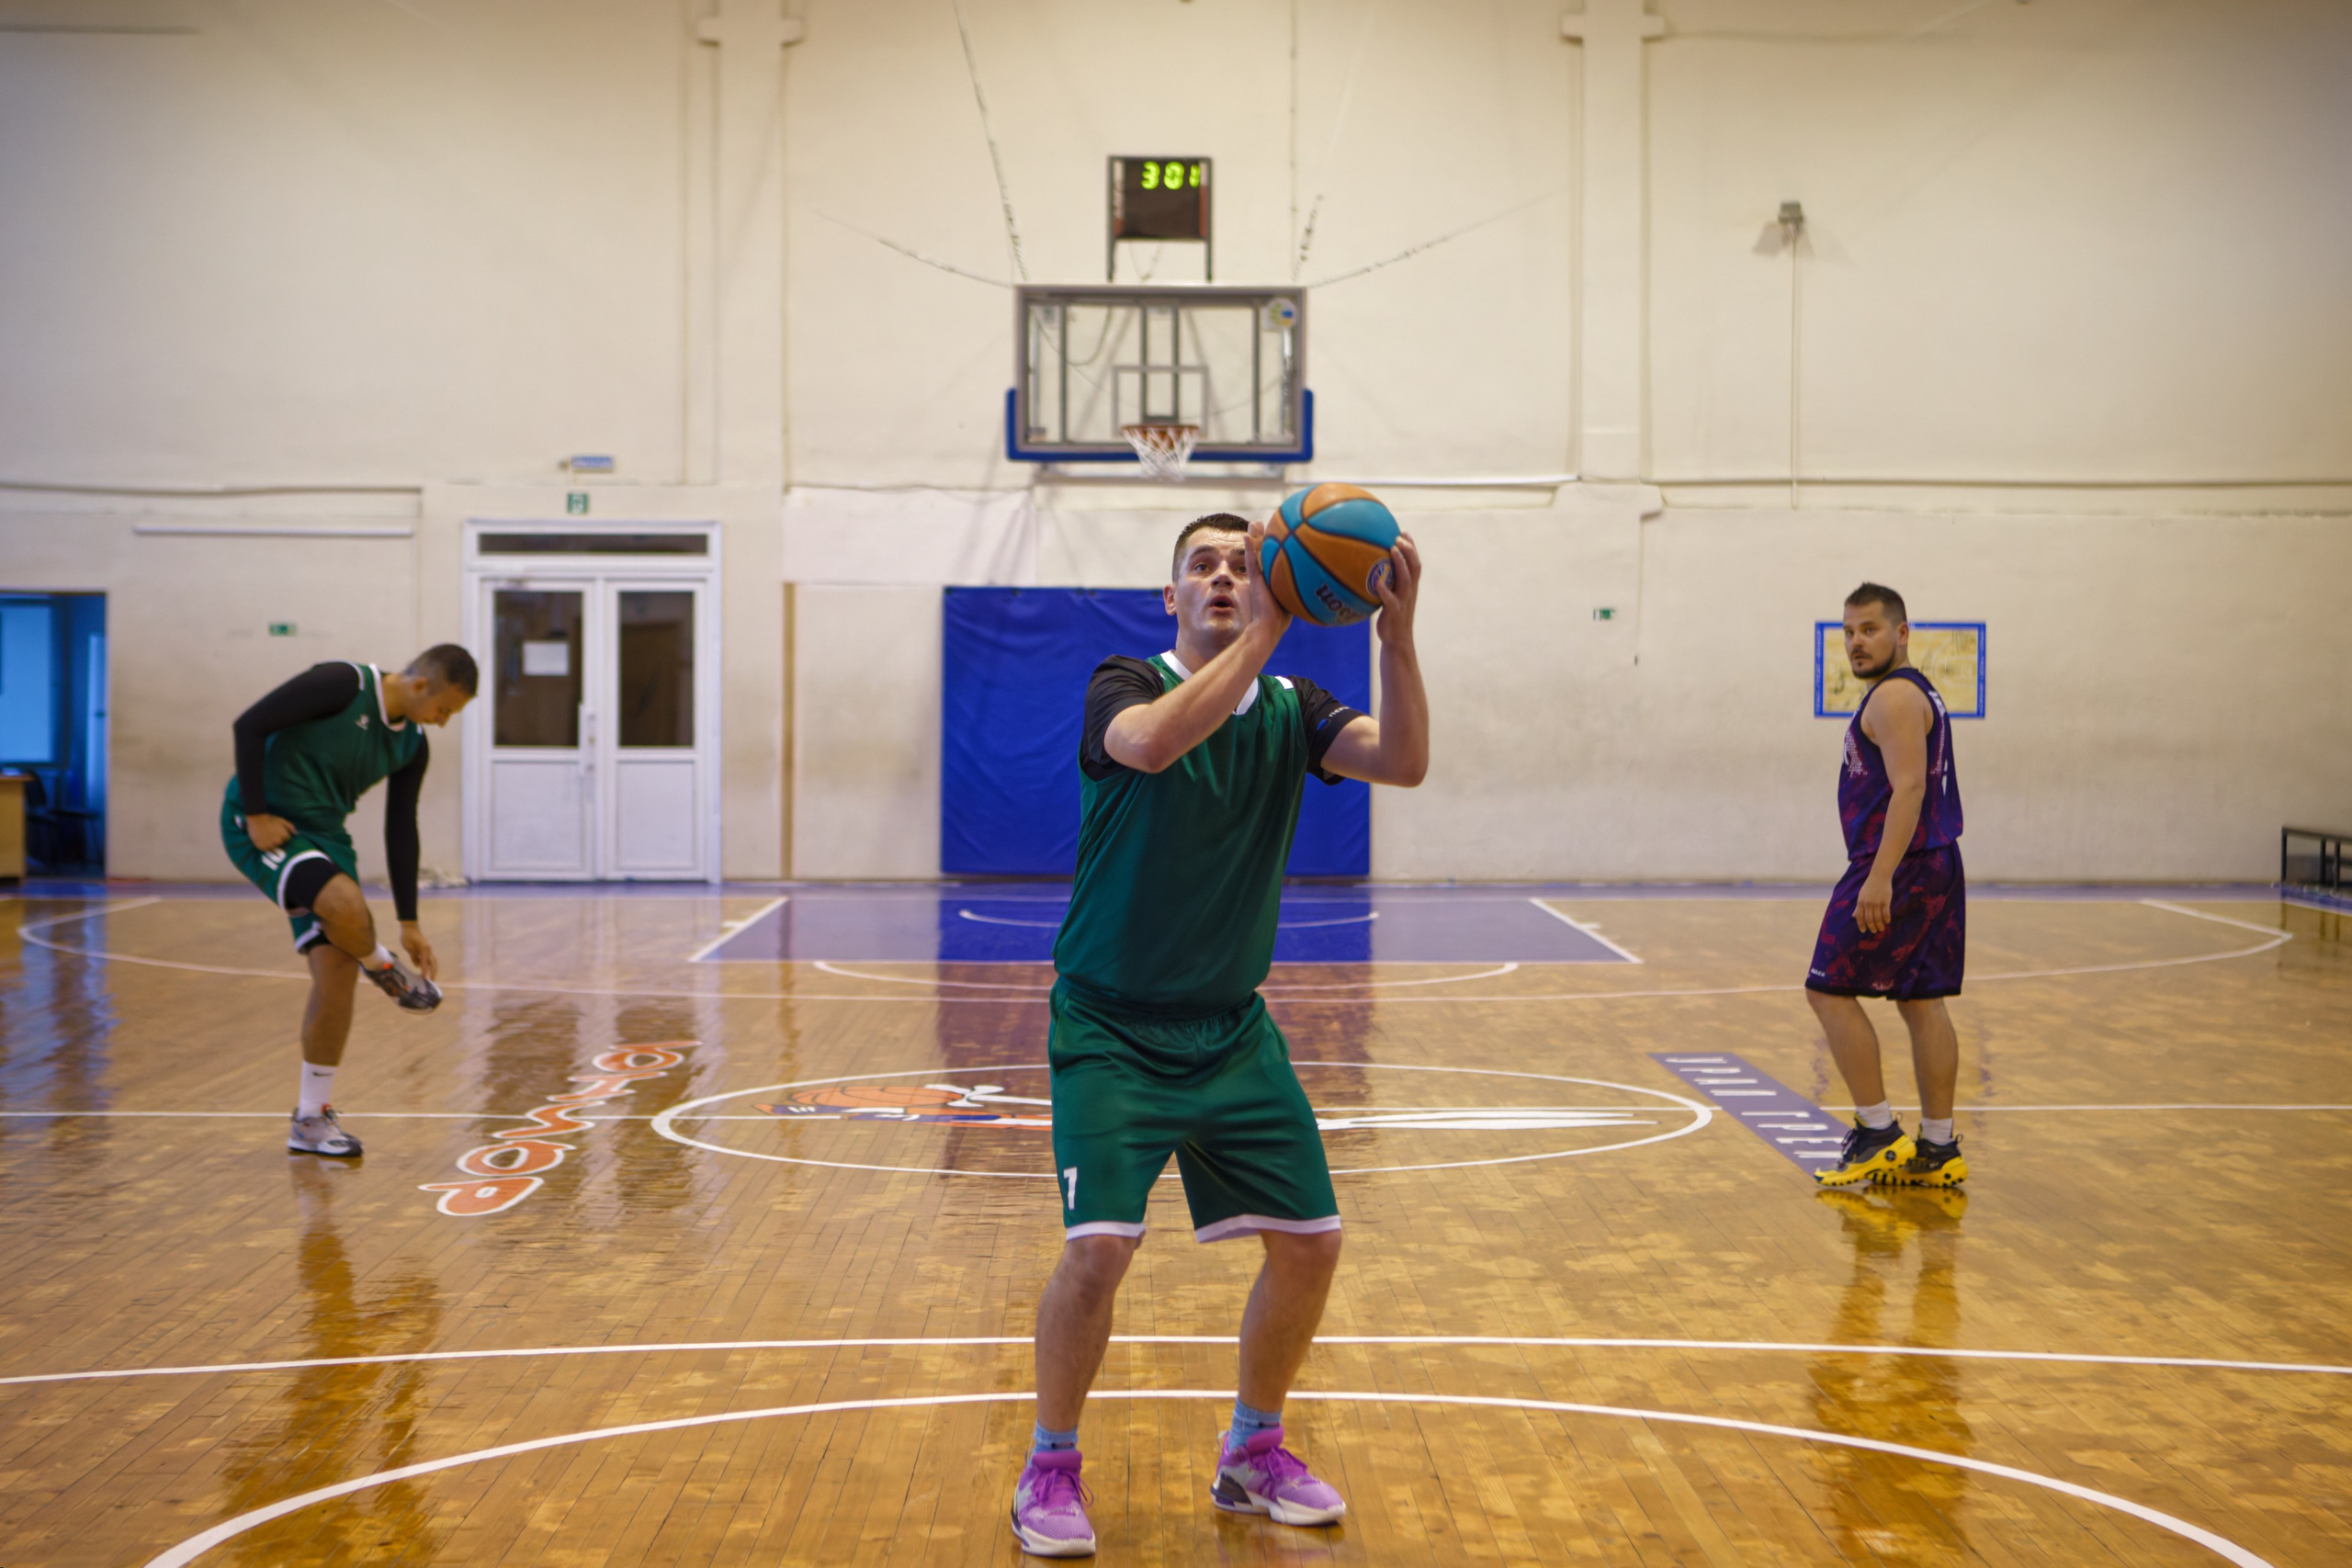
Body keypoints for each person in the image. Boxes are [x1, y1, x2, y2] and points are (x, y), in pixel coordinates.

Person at [1008, 513, 1429, 1557]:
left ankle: (1252, 1450)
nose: (1226, 578)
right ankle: (1049, 1466)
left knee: (1312, 1243)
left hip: (1231, 1029)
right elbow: (1153, 745)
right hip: (1109, 1027)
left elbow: (1405, 761)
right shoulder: (1124, 684)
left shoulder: (1293, 706)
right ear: (1172, 596)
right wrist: (1272, 626)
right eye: (1203, 566)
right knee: (1099, 1251)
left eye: (1245, 565)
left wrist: (1397, 637)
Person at [220, 648, 476, 1158]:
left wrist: (409, 921)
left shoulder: (413, 745)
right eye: (444, 709)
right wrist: (257, 813)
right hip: (266, 824)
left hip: (325, 838)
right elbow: (248, 725)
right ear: (420, 684)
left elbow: (401, 826)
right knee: (345, 905)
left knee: (336, 976)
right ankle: (381, 965)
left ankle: (311, 1119)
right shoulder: (343, 683)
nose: (443, 722)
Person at [1806, 584, 1968, 1189]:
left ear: (1902, 633)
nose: (1856, 642)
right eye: (1849, 631)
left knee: (1827, 991)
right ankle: (1939, 1147)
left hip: (1898, 865)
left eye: (1870, 629)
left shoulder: (1895, 695)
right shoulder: (1912, 691)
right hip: (1932, 861)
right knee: (1922, 1001)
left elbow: (1911, 788)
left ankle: (1877, 1133)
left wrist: (1878, 878)